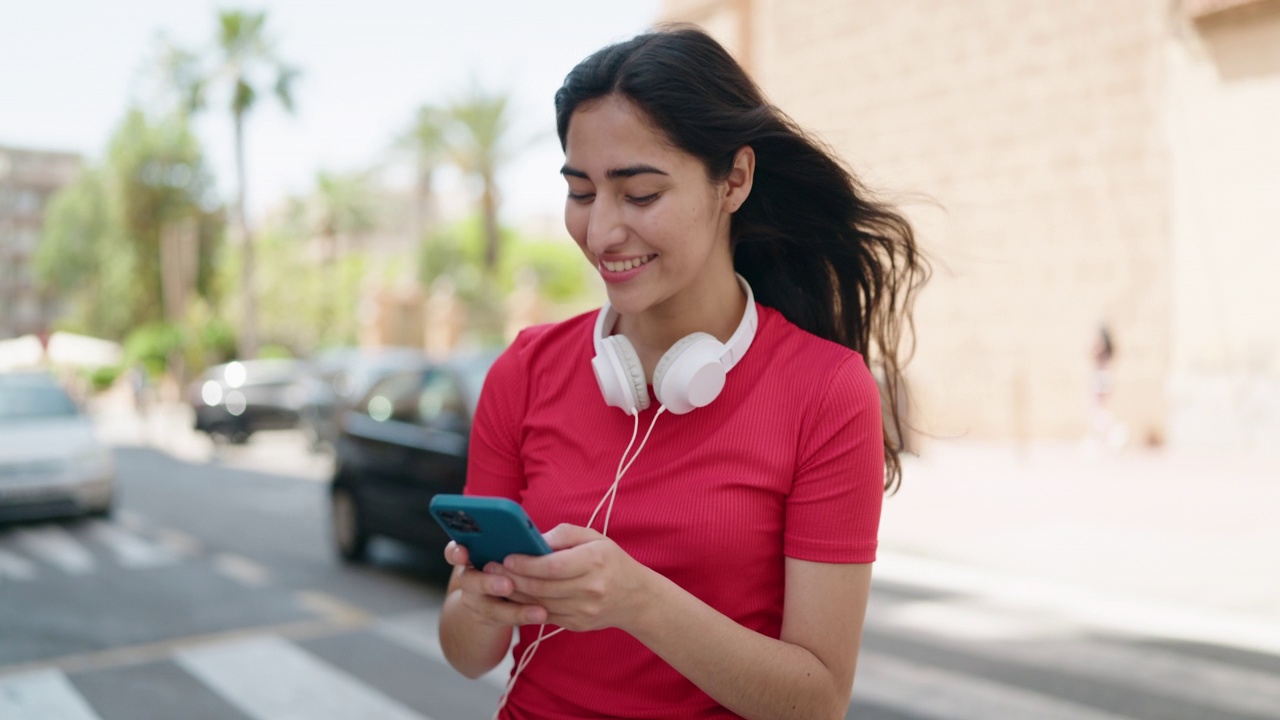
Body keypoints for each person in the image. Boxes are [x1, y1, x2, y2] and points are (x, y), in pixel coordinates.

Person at [438, 26, 927, 720]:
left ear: (734, 179)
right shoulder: (524, 369)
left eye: (639, 195)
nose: (602, 232)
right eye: (581, 192)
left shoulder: (826, 390)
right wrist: (481, 605)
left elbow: (817, 702)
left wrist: (636, 600)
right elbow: (465, 652)